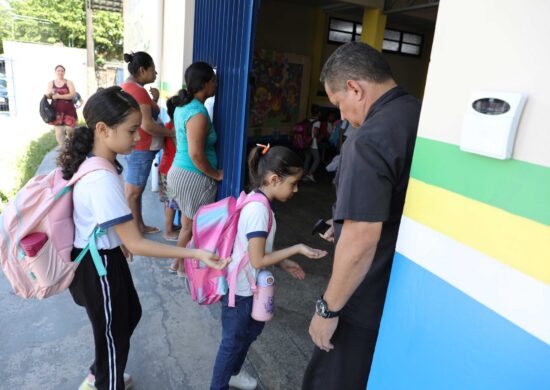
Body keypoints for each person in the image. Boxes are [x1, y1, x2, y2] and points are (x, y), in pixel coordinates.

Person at [56, 86, 228, 390]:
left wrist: (120, 240)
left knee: (128, 315)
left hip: (107, 259)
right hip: (97, 269)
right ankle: (104, 380)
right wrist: (195, 254)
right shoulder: (101, 177)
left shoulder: (105, 163)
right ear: (102, 130)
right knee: (111, 336)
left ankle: (102, 372)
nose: (139, 137)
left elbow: (112, 226)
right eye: (132, 130)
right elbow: (136, 242)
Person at [302, 42, 421, 390]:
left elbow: (362, 236)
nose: (340, 116)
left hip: (364, 296)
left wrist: (328, 310)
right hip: (401, 289)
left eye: (339, 102)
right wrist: (343, 226)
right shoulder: (418, 115)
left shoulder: (367, 139)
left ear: (355, 87)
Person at [210, 144, 327, 390]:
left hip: (251, 286)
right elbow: (257, 260)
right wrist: (297, 248)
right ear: (274, 179)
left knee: (249, 332)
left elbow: (257, 249)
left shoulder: (259, 200)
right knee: (233, 341)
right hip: (240, 290)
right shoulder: (258, 209)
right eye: (293, 183)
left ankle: (233, 372)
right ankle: (219, 384)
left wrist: (283, 262)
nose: (295, 190)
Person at [168, 62, 223, 274]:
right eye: (214, 81)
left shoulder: (184, 107)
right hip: (193, 175)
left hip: (180, 172)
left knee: (185, 224)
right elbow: (196, 154)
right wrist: (216, 174)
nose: (216, 85)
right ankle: (181, 265)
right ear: (205, 83)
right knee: (190, 226)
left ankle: (177, 263)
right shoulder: (198, 113)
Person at [121, 51, 175, 235]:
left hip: (138, 147)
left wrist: (154, 101)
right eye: (153, 70)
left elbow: (144, 114)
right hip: (142, 148)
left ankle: (139, 226)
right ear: (142, 70)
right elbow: (147, 125)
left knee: (135, 191)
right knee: (133, 192)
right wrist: (171, 133)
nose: (156, 74)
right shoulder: (138, 90)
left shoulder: (128, 86)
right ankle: (135, 231)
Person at [158, 95, 181, 244]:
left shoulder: (167, 126)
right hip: (170, 171)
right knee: (171, 201)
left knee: (169, 200)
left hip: (165, 168)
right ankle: (168, 231)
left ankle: (170, 226)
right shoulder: (174, 129)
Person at [46, 65, 78, 147]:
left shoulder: (69, 82)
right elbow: (49, 96)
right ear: (55, 72)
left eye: (62, 71)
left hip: (69, 110)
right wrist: (49, 94)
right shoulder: (51, 83)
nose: (60, 72)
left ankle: (71, 145)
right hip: (56, 111)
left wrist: (59, 96)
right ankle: (64, 150)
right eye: (58, 70)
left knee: (70, 130)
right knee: (59, 133)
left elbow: (73, 95)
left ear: (64, 72)